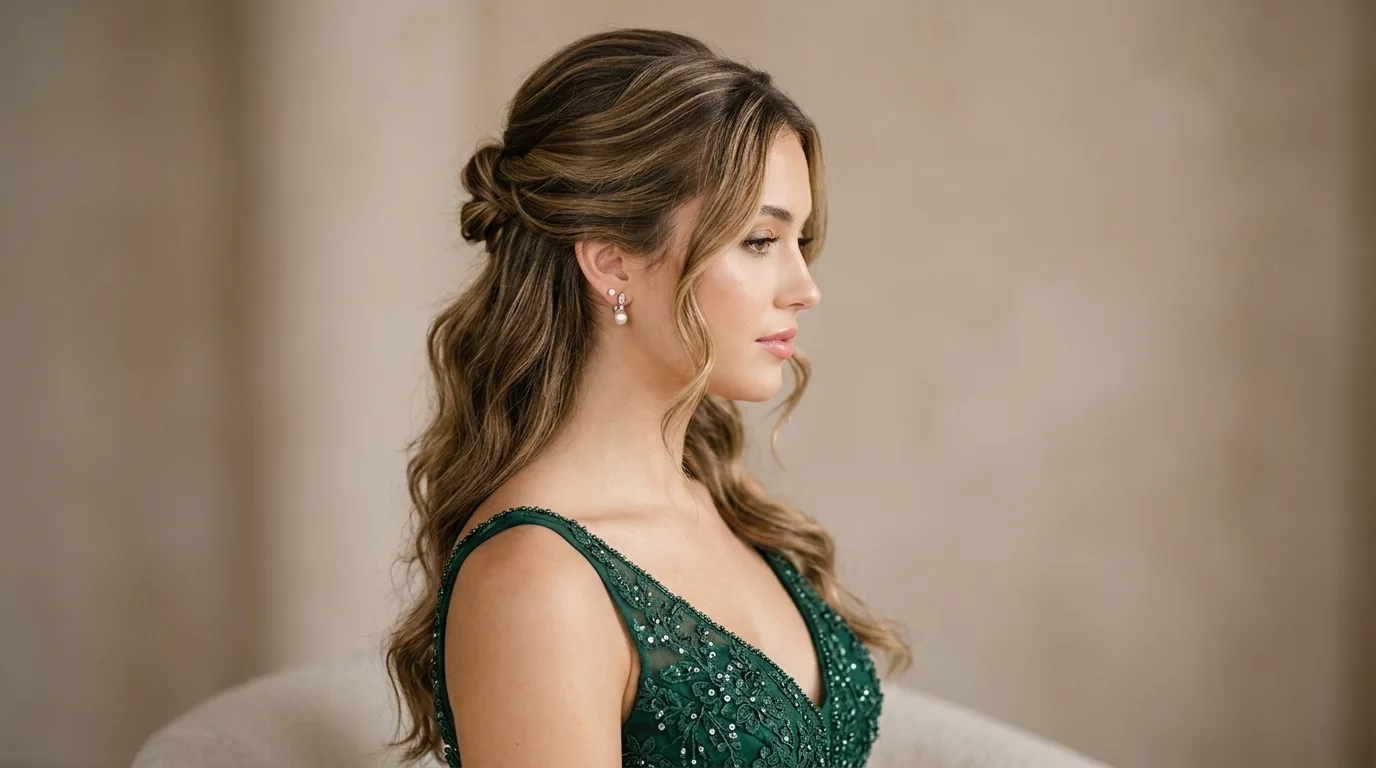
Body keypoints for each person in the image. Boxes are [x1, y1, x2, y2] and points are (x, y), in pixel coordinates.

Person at [384, 27, 911, 767]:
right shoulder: (536, 581)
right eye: (761, 241)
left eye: (802, 243)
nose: (805, 289)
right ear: (612, 261)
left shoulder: (724, 504)